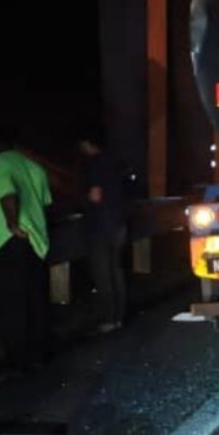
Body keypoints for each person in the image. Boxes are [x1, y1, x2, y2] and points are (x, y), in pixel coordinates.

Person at [0, 122, 52, 375]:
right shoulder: (33, 166)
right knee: (34, 299)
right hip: (35, 242)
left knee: (12, 304)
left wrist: (11, 223)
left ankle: (18, 360)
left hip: (10, 241)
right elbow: (45, 202)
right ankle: (38, 355)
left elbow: (7, 195)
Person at [78, 128, 126, 333]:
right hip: (118, 223)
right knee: (115, 270)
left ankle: (108, 318)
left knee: (102, 273)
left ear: (88, 143)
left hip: (101, 225)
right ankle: (119, 317)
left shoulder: (95, 164)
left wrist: (82, 200)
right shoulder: (114, 162)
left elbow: (95, 195)